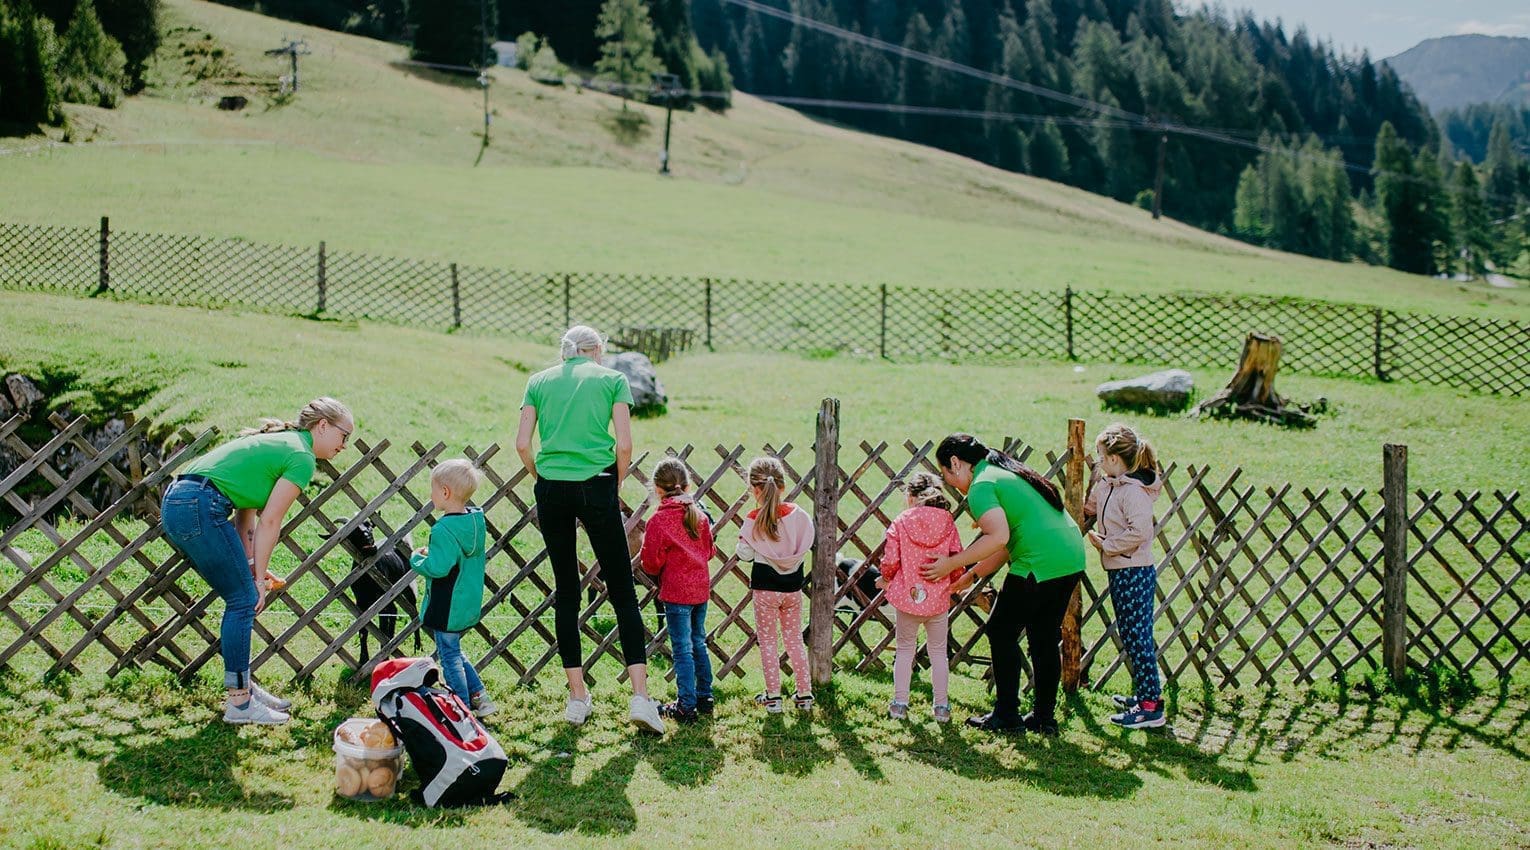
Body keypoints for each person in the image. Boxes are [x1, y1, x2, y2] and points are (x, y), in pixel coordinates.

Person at [160, 397, 354, 725]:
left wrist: (252, 568)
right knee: (244, 600)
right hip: (198, 504)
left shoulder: (281, 444)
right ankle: (239, 704)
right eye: (343, 436)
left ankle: (244, 690)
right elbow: (271, 521)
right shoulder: (301, 456)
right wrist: (258, 581)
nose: (345, 445)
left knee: (243, 595)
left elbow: (245, 518)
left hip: (183, 500)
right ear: (322, 426)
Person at [516, 325, 664, 734]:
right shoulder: (613, 379)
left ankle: (577, 697)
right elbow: (625, 445)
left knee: (566, 590)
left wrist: (540, 476)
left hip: (552, 488)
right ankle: (639, 697)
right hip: (597, 483)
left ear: (565, 352)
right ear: (597, 350)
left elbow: (523, 443)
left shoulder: (538, 382)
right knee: (621, 587)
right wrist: (613, 482)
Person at [920, 433, 1086, 736]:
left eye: (945, 473)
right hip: (1070, 557)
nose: (947, 480)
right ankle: (1043, 719)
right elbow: (1007, 544)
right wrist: (969, 576)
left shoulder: (982, 485)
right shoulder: (1006, 473)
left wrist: (950, 565)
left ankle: (1007, 714)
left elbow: (998, 538)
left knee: (1000, 631)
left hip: (1039, 561)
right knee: (1043, 638)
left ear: (956, 463)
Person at [1084, 423, 1165, 730]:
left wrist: (1108, 545)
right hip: (1120, 569)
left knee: (1138, 637)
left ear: (1116, 459)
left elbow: (1140, 531)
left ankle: (1151, 708)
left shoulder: (1133, 492)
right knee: (1130, 634)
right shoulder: (1108, 484)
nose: (1098, 460)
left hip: (1134, 570)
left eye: (1101, 455)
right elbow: (1092, 506)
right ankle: (1144, 697)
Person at [409, 459, 496, 718]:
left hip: (447, 604)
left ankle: (460, 707)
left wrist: (417, 558)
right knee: (454, 650)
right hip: (466, 602)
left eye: (433, 489)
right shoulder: (475, 522)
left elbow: (438, 567)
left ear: (445, 492)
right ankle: (480, 696)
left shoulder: (444, 528)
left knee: (449, 657)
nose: (431, 495)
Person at [875, 472, 964, 722]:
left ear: (911, 496)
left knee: (904, 649)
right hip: (938, 597)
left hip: (907, 596)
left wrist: (887, 576)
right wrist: (954, 578)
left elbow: (890, 559)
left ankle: (900, 703)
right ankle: (942, 707)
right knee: (938, 652)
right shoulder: (947, 521)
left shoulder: (902, 520)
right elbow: (957, 556)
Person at [639, 458, 716, 724]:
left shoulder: (659, 521)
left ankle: (686, 705)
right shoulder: (700, 516)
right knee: (698, 642)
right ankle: (705, 696)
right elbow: (709, 552)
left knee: (682, 648)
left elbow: (650, 562)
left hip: (676, 593)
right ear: (687, 485)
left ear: (657, 489)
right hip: (700, 590)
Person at [737, 456, 816, 713]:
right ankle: (804, 694)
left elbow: (744, 554)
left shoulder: (753, 518)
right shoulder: (798, 515)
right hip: (793, 588)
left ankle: (773, 697)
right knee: (794, 639)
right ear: (782, 486)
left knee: (769, 641)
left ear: (755, 489)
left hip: (765, 589)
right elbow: (807, 542)